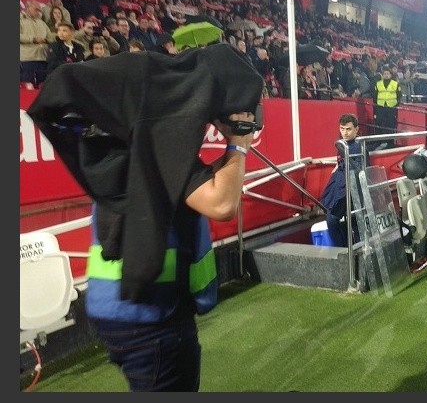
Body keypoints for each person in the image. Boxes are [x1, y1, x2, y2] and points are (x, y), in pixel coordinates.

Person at [28, 43, 265, 392]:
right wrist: (239, 141)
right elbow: (221, 203)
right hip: (153, 321)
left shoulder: (122, 149)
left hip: (115, 312)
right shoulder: (160, 154)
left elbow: (190, 185)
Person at [320, 113, 367, 248]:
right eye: (342, 129)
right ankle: (348, 251)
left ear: (356, 129)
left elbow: (360, 169)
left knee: (335, 220)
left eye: (348, 129)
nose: (345, 133)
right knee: (350, 222)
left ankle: (346, 251)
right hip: (341, 185)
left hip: (350, 189)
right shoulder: (343, 144)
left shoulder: (359, 146)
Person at [373, 65, 402, 147]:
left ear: (390, 75)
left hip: (391, 107)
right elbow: (375, 95)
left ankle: (390, 142)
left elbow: (399, 95)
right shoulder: (378, 84)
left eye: (388, 73)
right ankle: (378, 141)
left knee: (390, 125)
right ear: (382, 75)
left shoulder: (395, 84)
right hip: (380, 106)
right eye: (385, 73)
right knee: (378, 124)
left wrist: (396, 104)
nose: (386, 75)